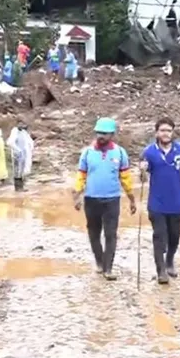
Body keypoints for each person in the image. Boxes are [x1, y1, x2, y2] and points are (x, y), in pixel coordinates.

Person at [72, 117, 137, 280]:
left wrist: (131, 198)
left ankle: (108, 268)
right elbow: (81, 175)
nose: (100, 136)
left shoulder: (120, 153)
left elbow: (126, 178)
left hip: (112, 200)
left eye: (104, 133)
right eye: (98, 132)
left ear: (112, 134)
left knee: (111, 234)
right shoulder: (87, 153)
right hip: (91, 200)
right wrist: (76, 196)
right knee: (93, 233)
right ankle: (100, 262)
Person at [139, 117, 180, 284]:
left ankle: (170, 260)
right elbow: (143, 180)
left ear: (173, 133)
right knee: (159, 237)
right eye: (163, 130)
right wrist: (142, 171)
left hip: (176, 202)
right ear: (157, 133)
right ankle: (161, 271)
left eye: (169, 131)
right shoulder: (149, 152)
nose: (166, 134)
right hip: (157, 203)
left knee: (175, 236)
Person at [6, 121, 35, 191]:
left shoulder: (23, 132)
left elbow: (29, 142)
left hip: (24, 155)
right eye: (21, 124)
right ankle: (18, 188)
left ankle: (21, 187)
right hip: (17, 155)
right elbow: (10, 142)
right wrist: (18, 150)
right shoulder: (15, 131)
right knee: (17, 171)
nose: (23, 126)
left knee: (22, 171)